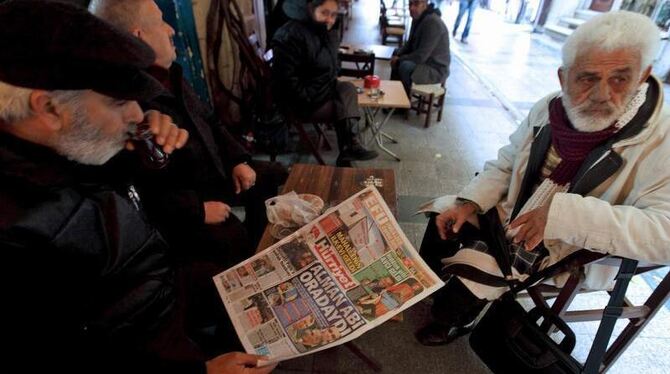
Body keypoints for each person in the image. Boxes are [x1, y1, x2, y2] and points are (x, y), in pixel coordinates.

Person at [0, 2, 275, 373]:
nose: (137, 113)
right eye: (118, 102)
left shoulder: (63, 148)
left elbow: (129, 225)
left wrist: (140, 147)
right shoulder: (27, 230)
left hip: (165, 294)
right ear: (48, 109)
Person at [415, 11, 670, 346]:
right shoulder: (549, 107)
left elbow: (664, 233)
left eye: (620, 79)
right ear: (563, 78)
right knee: (445, 215)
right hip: (516, 211)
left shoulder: (661, 137)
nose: (601, 94)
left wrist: (562, 215)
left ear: (643, 75)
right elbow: (508, 161)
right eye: (587, 78)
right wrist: (471, 201)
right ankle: (431, 287)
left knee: (479, 266)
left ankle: (453, 319)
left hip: (570, 245)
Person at [90, 0, 288, 260]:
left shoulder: (170, 74)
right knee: (231, 237)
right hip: (186, 201)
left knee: (272, 175)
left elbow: (211, 120)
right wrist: (197, 210)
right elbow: (141, 191)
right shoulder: (122, 104)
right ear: (138, 37)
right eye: (161, 21)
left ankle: (258, 248)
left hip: (213, 172)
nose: (171, 30)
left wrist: (237, 159)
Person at [271, 0, 378, 166]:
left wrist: (331, 40)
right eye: (324, 13)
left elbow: (332, 68)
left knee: (348, 88)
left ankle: (350, 145)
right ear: (310, 10)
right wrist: (309, 98)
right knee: (341, 107)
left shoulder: (321, 32)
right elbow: (285, 82)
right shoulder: (290, 35)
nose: (330, 19)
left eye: (334, 15)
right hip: (301, 103)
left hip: (320, 90)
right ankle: (347, 150)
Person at [390, 0, 450, 97]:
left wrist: (399, 60)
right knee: (396, 53)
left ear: (424, 5)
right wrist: (398, 55)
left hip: (435, 69)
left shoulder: (432, 22)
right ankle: (394, 96)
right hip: (424, 63)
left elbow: (421, 56)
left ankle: (403, 102)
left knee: (405, 66)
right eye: (410, 4)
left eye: (416, 4)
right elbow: (409, 44)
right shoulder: (418, 18)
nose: (411, 8)